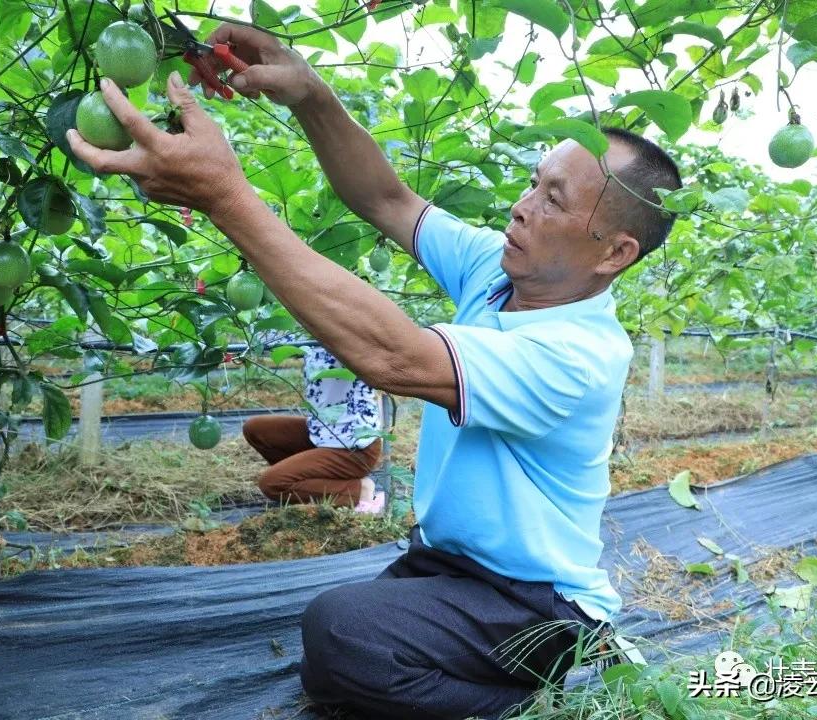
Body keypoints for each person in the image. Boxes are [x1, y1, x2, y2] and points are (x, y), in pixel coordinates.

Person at [67, 22, 682, 720]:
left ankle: (547, 699)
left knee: (342, 632)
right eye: (533, 183)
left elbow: (392, 356)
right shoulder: (498, 272)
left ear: (613, 253)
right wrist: (309, 94)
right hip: (451, 566)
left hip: (535, 600)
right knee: (346, 640)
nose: (521, 206)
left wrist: (224, 196)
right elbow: (387, 200)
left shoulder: (577, 353)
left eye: (554, 200)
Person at [242, 345, 385, 513]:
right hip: (322, 431)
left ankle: (357, 491)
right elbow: (272, 339)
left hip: (353, 447)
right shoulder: (311, 337)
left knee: (273, 484)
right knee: (257, 430)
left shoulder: (347, 338)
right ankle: (312, 483)